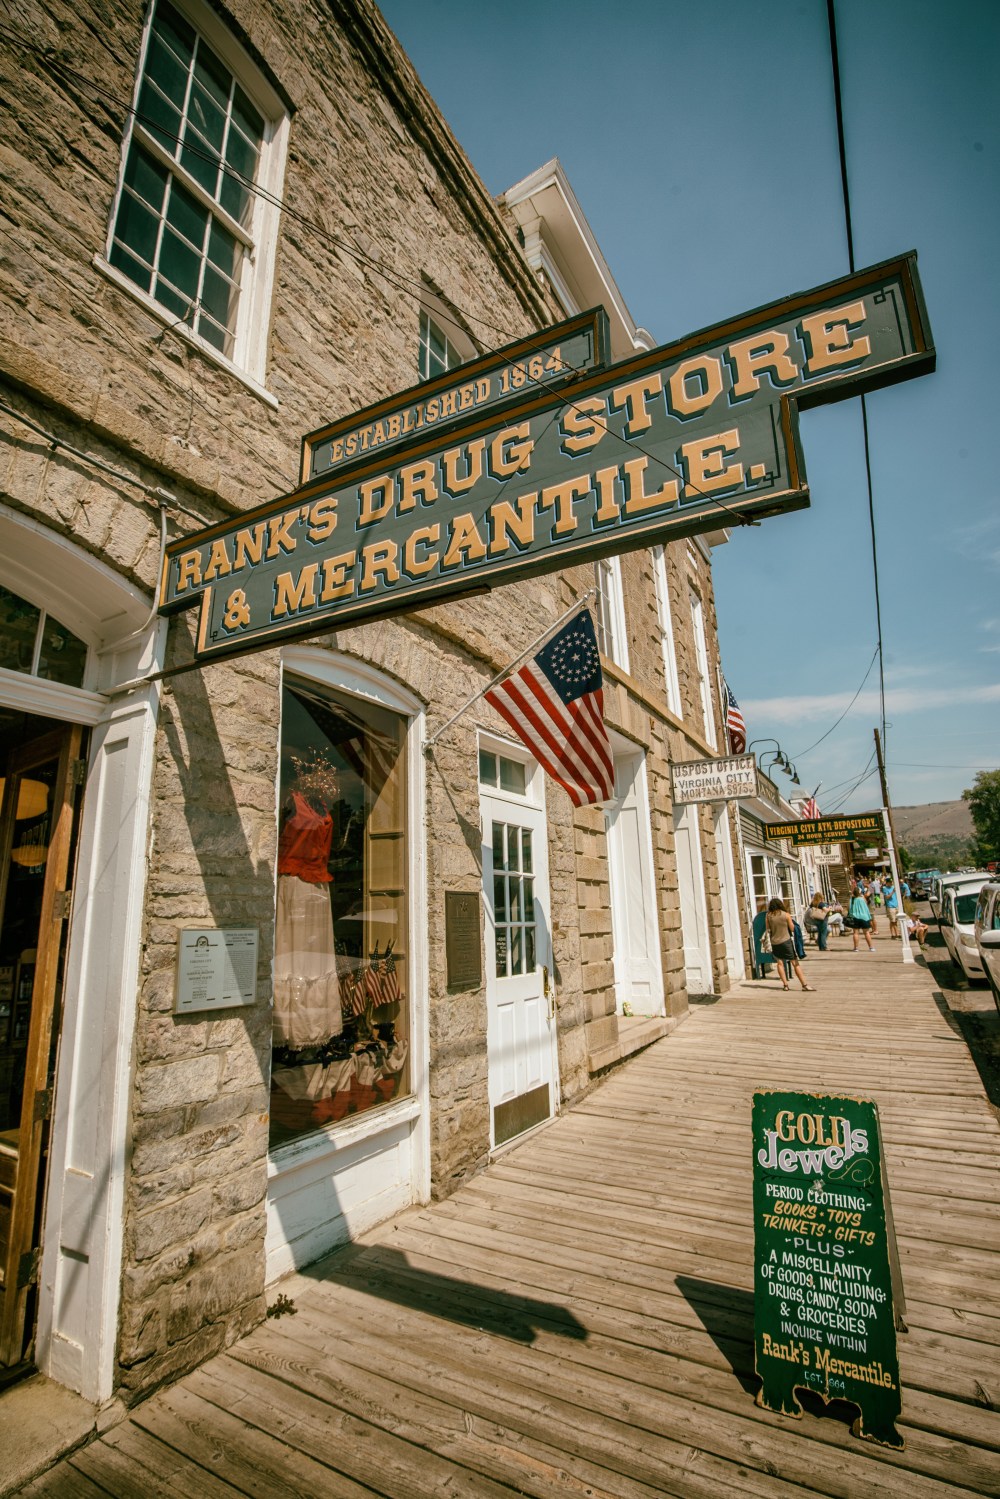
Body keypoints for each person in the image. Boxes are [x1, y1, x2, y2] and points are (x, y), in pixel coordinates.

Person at [765, 898, 816, 992]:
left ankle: (785, 985)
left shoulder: (768, 916)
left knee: (779, 964)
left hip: (775, 942)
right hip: (786, 941)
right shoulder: (786, 915)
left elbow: (768, 929)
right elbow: (793, 929)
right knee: (795, 963)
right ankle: (804, 985)